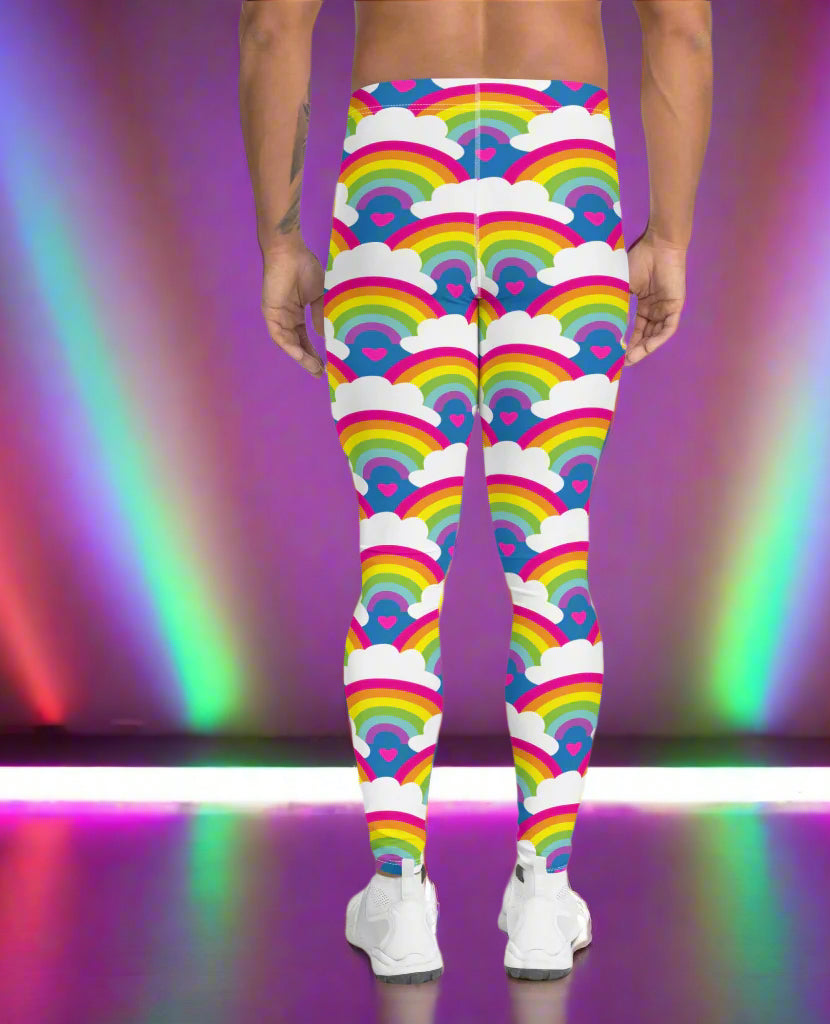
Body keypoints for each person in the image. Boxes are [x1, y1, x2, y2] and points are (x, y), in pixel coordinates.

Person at [239, 0, 712, 984]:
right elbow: (679, 26)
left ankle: (399, 894)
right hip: (561, 165)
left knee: (398, 548)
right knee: (552, 550)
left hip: (397, 166)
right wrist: (668, 236)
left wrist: (279, 239)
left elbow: (274, 27)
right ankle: (542, 892)